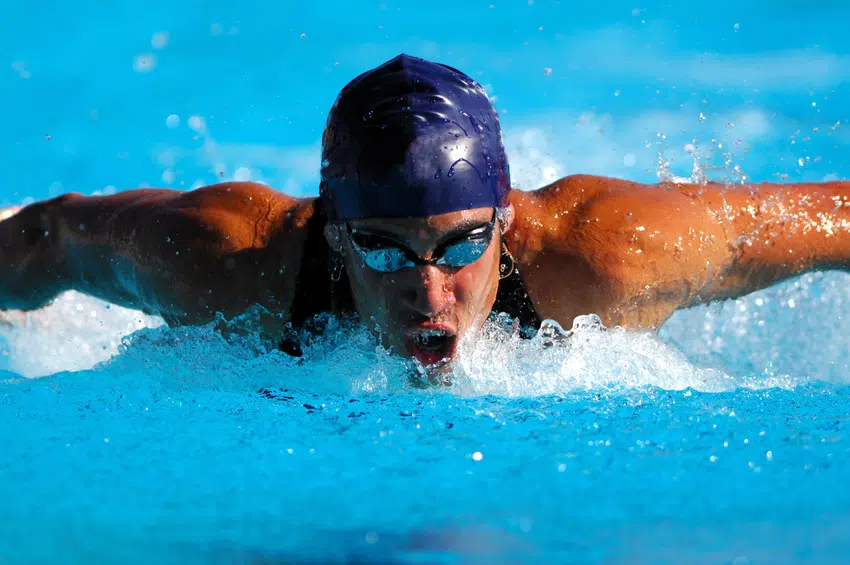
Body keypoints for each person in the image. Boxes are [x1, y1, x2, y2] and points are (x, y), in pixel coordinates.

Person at [1, 54, 848, 372]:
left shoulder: (604, 258)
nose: (428, 288)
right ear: (335, 231)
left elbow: (828, 218)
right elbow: (54, 234)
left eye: (461, 244)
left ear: (506, 220)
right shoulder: (226, 263)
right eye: (385, 249)